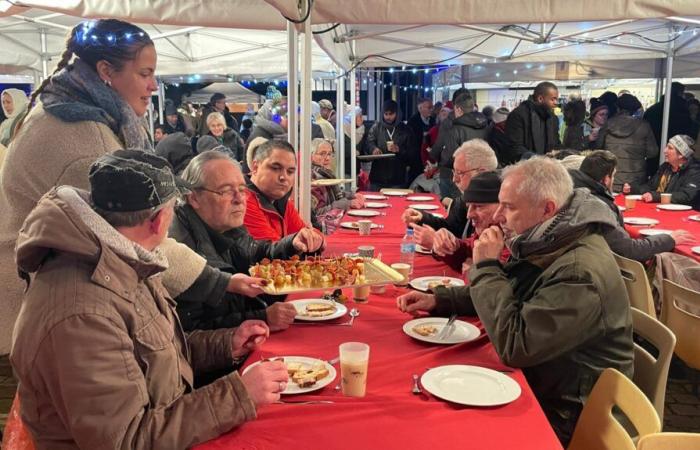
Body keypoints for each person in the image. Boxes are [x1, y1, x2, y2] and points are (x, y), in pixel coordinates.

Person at [0, 19, 253, 355]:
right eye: (144, 74)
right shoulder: (84, 137)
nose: (153, 86)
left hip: (46, 302)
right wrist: (219, 283)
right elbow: (135, 238)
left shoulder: (72, 111)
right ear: (106, 70)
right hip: (32, 317)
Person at [11, 150, 288, 449]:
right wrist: (237, 395)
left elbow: (157, 359)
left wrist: (226, 343)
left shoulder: (123, 261)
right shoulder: (84, 312)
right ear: (158, 221)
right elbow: (126, 440)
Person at [397, 156, 633, 446]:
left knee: (438, 429)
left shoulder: (577, 271)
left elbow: (515, 345)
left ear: (547, 208)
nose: (498, 217)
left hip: (568, 410)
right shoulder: (552, 236)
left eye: (508, 207)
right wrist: (439, 300)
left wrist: (485, 266)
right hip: (551, 378)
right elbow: (512, 287)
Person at [171, 150, 324, 332]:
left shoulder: (223, 223)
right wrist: (262, 317)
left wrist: (292, 244)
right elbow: (190, 333)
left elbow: (254, 253)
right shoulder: (180, 249)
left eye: (242, 190)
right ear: (194, 197)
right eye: (226, 191)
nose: (239, 199)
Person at [571, 150, 691, 261]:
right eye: (613, 176)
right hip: (598, 267)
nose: (665, 150)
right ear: (606, 179)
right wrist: (669, 239)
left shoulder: (572, 193)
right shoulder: (598, 206)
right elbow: (630, 250)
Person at [403, 139, 498, 249]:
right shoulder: (462, 200)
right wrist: (422, 218)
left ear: (481, 172)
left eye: (459, 173)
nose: (454, 179)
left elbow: (479, 251)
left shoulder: (497, 206)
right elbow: (452, 228)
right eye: (454, 172)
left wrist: (435, 242)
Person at [431, 171, 508, 276]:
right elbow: (470, 247)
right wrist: (451, 244)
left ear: (503, 206)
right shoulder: (490, 229)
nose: (469, 215)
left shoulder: (514, 245)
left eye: (479, 206)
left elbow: (490, 289)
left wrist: (475, 272)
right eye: (469, 206)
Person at [245, 139, 320, 242]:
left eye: (290, 172)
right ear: (255, 167)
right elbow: (271, 250)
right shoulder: (243, 199)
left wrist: (317, 241)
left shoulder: (281, 199)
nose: (283, 177)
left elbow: (310, 237)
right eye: (275, 168)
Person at [429, 93, 488, 199]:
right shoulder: (485, 126)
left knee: (452, 209)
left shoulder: (454, 129)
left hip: (453, 176)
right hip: (478, 175)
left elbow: (449, 157)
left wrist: (437, 157)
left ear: (458, 109)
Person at [597, 93, 657, 192]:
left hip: (612, 176)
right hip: (636, 179)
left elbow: (598, 147)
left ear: (618, 107)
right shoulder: (644, 125)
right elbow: (652, 152)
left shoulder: (608, 124)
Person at [628, 134, 700, 209]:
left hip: (684, 214)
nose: (665, 151)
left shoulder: (695, 171)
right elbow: (651, 186)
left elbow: (686, 196)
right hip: (661, 208)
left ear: (681, 154)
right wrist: (632, 188)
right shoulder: (666, 167)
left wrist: (657, 196)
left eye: (670, 148)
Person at [644, 82, 694, 176]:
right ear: (680, 93)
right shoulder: (683, 110)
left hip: (655, 146)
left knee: (655, 176)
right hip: (676, 148)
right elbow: (688, 128)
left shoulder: (653, 109)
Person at [505, 81, 561, 160]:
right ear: (540, 98)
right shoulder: (518, 115)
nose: (556, 103)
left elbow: (556, 143)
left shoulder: (553, 118)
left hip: (548, 167)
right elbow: (514, 147)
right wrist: (539, 160)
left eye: (556, 99)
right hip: (524, 167)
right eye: (553, 99)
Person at [366, 99, 415, 190]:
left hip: (397, 178)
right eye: (386, 114)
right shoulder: (376, 127)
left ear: (397, 114)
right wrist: (373, 149)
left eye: (391, 114)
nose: (388, 117)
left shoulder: (406, 130)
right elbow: (369, 142)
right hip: (378, 177)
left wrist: (399, 150)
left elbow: (412, 153)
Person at [310, 138, 364, 219]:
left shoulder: (326, 173)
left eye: (329, 154)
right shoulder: (312, 177)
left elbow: (335, 194)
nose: (327, 158)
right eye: (322, 154)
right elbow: (317, 212)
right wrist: (347, 203)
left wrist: (352, 196)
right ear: (311, 155)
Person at [407, 97, 435, 182]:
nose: (431, 110)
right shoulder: (412, 122)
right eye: (429, 107)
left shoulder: (433, 121)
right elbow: (410, 143)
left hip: (431, 159)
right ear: (420, 108)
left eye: (431, 107)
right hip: (416, 160)